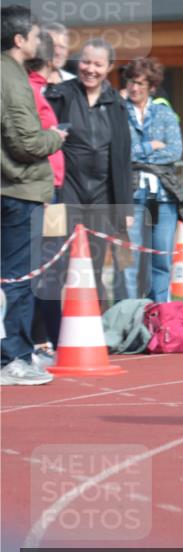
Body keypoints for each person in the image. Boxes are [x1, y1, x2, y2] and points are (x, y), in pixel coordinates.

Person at [1, 6, 66, 386]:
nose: (42, 41)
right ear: (19, 39)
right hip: (18, 189)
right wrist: (55, 137)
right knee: (17, 279)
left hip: (13, 186)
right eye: (37, 34)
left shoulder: (12, 75)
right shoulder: (12, 78)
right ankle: (14, 358)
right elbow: (26, 141)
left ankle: (16, 354)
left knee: (12, 278)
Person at [45, 39, 133, 309]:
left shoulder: (116, 103)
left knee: (93, 265)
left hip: (102, 196)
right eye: (85, 62)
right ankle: (48, 333)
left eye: (98, 64)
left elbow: (122, 158)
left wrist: (125, 207)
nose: (90, 69)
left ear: (108, 68)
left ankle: (93, 325)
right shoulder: (60, 95)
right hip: (65, 192)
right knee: (56, 263)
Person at [122, 58, 183, 303]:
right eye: (130, 81)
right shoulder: (118, 111)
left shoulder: (164, 112)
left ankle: (159, 317)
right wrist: (150, 146)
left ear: (151, 86)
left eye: (139, 83)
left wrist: (136, 153)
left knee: (161, 260)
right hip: (130, 196)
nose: (134, 87)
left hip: (164, 197)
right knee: (129, 263)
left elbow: (175, 151)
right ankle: (130, 319)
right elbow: (119, 152)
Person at [26, 30, 66, 360]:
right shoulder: (30, 89)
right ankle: (36, 340)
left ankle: (47, 337)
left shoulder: (48, 89)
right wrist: (55, 136)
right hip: (39, 190)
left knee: (51, 266)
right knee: (38, 267)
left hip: (54, 190)